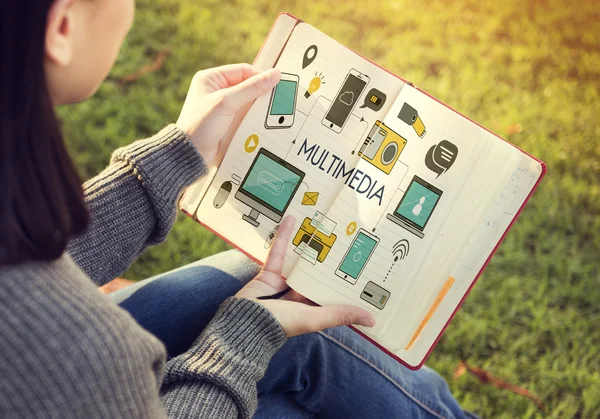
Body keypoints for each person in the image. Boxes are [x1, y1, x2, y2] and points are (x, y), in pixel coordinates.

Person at [0, 0, 475, 418]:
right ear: (62, 27)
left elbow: (23, 256)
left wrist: (173, 157)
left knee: (252, 285)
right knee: (297, 344)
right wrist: (240, 339)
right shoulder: (82, 351)